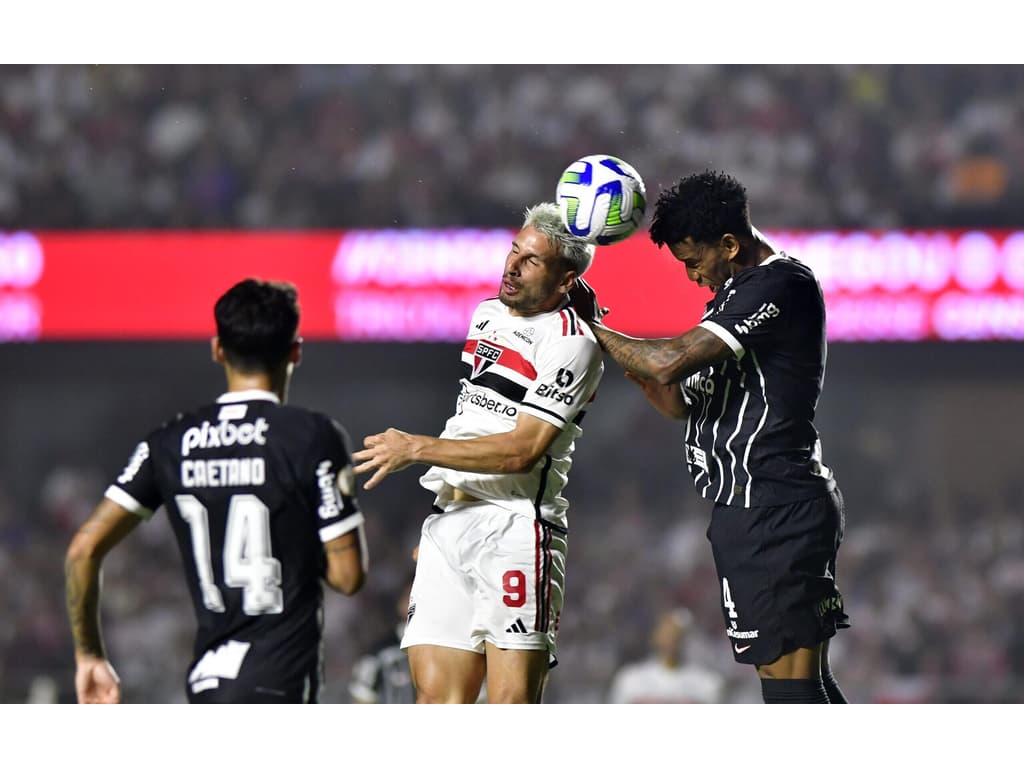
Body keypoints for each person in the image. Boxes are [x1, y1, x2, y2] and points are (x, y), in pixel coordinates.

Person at [572, 170, 850, 704]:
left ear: (728, 243)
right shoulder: (733, 296)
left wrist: (595, 326)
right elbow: (680, 394)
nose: (693, 276)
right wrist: (656, 380)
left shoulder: (779, 284)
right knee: (805, 684)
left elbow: (669, 359)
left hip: (774, 503)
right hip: (754, 506)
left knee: (790, 690)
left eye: (694, 262)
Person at [64, 278, 368, 703]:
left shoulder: (167, 443)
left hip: (208, 683)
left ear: (218, 349)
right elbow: (348, 577)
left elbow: (82, 551)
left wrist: (90, 655)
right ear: (295, 350)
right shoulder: (311, 437)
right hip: (278, 682)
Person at [352, 202, 603, 704]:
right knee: (436, 703)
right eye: (514, 250)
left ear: (565, 279)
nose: (511, 265)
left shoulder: (575, 344)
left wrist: (417, 448)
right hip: (449, 522)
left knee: (507, 707)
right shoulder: (486, 314)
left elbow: (522, 451)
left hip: (515, 525)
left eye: (531, 260)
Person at [607, 608, 726, 704]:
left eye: (677, 633)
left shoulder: (707, 682)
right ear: (655, 636)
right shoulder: (630, 679)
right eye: (667, 631)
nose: (672, 638)